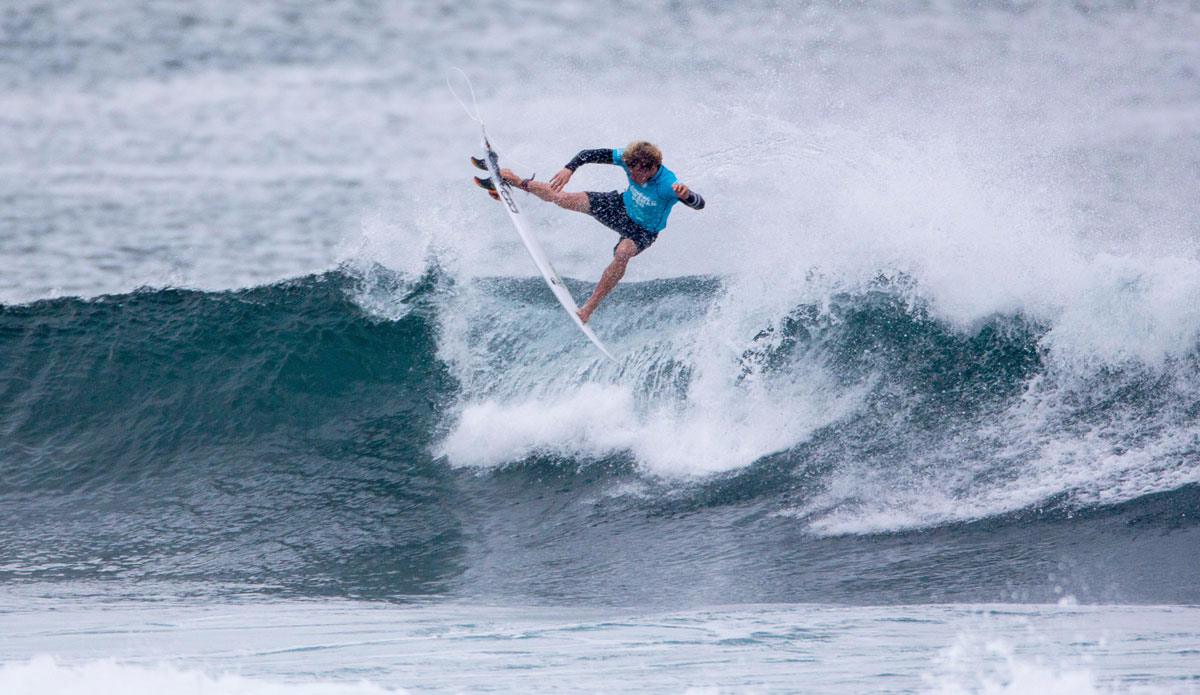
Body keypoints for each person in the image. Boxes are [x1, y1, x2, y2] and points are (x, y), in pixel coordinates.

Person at [497, 141, 705, 323]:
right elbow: (588, 153)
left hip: (642, 230)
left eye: (635, 172)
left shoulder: (668, 184)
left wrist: (687, 195)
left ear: (650, 168)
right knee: (563, 199)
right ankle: (514, 180)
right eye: (629, 170)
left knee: (622, 253)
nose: (631, 175)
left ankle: (589, 306)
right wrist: (569, 169)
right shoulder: (629, 157)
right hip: (620, 206)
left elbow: (699, 204)